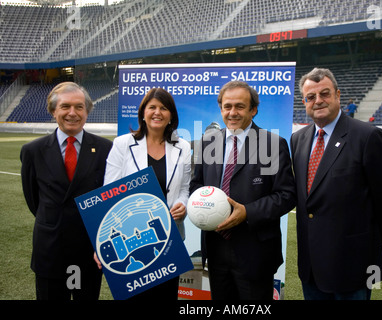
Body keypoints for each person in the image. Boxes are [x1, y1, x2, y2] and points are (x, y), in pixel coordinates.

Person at [290, 68, 382, 300]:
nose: (318, 101)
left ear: (338, 95)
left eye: (325, 94)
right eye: (311, 97)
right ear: (304, 102)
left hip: (353, 261)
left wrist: (371, 238)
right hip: (311, 264)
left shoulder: (368, 136)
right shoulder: (298, 139)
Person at [190, 80, 296, 300]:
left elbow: (286, 195)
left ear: (253, 110)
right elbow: (196, 185)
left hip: (255, 251)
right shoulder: (206, 142)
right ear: (221, 109)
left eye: (239, 106)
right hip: (216, 248)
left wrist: (247, 212)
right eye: (227, 106)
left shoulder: (273, 144)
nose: (232, 112)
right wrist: (200, 205)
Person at [20, 82, 113, 300]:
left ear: (87, 111)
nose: (73, 113)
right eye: (65, 107)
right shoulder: (33, 151)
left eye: (79, 107)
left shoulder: (105, 149)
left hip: (88, 251)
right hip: (50, 250)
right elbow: (33, 199)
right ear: (53, 111)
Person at [100, 87, 191, 300]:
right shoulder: (122, 144)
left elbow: (185, 188)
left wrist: (182, 205)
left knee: (166, 296)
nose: (157, 112)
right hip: (132, 239)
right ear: (143, 113)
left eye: (163, 108)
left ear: (171, 116)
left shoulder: (183, 147)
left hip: (170, 239)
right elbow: (109, 191)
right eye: (152, 107)